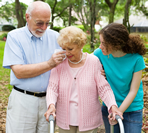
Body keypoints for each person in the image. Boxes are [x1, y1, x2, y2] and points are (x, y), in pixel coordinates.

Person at [44, 26, 123, 133]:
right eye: (63, 49)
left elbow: (103, 88)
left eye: (70, 49)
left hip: (89, 120)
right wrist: (51, 106)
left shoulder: (93, 62)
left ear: (81, 45)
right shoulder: (59, 62)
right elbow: (52, 88)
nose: (66, 53)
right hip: (65, 121)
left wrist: (112, 106)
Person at [3, 1, 66, 133]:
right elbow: (19, 72)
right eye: (39, 23)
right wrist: (49, 64)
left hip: (49, 102)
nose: (43, 27)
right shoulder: (14, 37)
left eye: (47, 23)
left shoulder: (56, 37)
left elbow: (72, 58)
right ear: (27, 17)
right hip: (23, 100)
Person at [94, 23, 146, 133]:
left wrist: (118, 112)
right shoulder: (100, 53)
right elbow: (84, 64)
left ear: (116, 45)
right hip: (109, 107)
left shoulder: (136, 58)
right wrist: (97, 71)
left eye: (103, 43)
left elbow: (133, 90)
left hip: (133, 109)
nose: (100, 46)